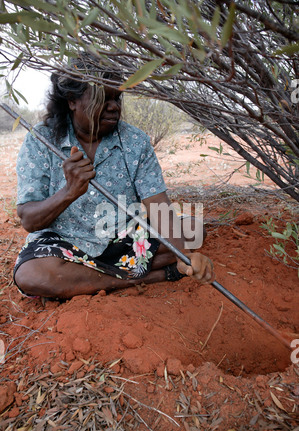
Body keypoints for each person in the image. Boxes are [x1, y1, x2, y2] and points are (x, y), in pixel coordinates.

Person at [13, 56, 215, 300]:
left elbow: (159, 207)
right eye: (102, 98)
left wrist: (183, 255)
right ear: (72, 101)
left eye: (116, 98)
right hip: (63, 244)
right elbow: (30, 220)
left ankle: (85, 280)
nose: (114, 106)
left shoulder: (135, 142)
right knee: (33, 275)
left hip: (123, 237)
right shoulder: (41, 141)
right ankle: (149, 276)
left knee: (193, 229)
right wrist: (69, 192)